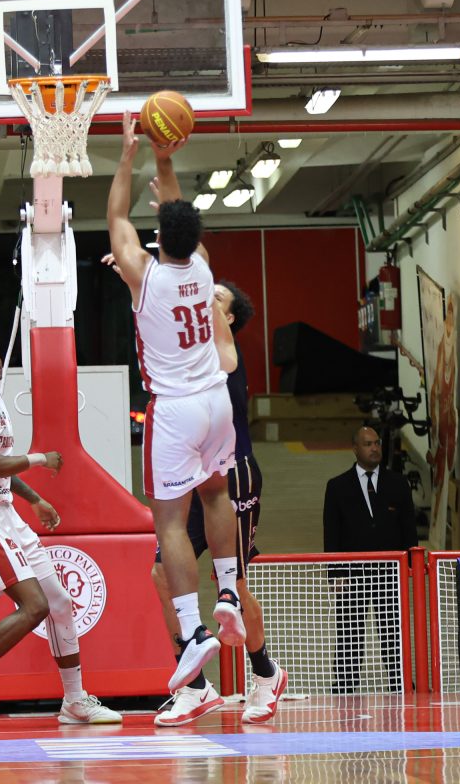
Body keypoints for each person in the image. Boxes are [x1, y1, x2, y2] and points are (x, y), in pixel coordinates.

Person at [106, 112, 246, 696]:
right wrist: (165, 157)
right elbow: (177, 209)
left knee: (168, 521)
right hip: (217, 400)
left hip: (176, 408)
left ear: (158, 238)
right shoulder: (205, 267)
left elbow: (117, 217)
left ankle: (192, 631)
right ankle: (229, 590)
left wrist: (129, 153)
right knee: (216, 494)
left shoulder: (145, 275)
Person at [0, 332, 122, 728]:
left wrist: (34, 499)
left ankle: (74, 701)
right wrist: (39, 459)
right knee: (35, 606)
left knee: (60, 603)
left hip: (3, 510)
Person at [144, 281, 288, 726]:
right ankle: (194, 686)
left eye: (215, 297)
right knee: (161, 574)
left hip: (233, 474)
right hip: (192, 475)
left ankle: (265, 675)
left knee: (234, 584)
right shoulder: (183, 350)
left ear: (228, 318)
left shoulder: (223, 347)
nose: (204, 297)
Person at [323, 426, 418, 693]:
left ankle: (399, 680)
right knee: (349, 630)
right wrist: (335, 574)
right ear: (355, 448)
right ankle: (346, 681)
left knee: (393, 630)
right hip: (352, 575)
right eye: (368, 444)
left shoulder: (398, 484)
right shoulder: (337, 487)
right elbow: (331, 534)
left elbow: (409, 530)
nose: (374, 448)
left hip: (390, 572)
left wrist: (410, 568)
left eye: (377, 443)